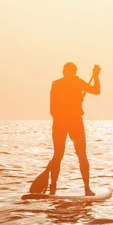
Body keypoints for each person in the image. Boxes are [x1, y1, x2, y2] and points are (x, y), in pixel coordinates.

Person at [48, 62, 101, 196]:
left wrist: (95, 75)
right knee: (74, 155)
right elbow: (96, 90)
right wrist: (95, 76)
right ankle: (84, 188)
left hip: (65, 122)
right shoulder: (74, 83)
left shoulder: (61, 83)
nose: (68, 75)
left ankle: (54, 188)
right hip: (70, 122)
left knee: (65, 155)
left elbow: (96, 91)